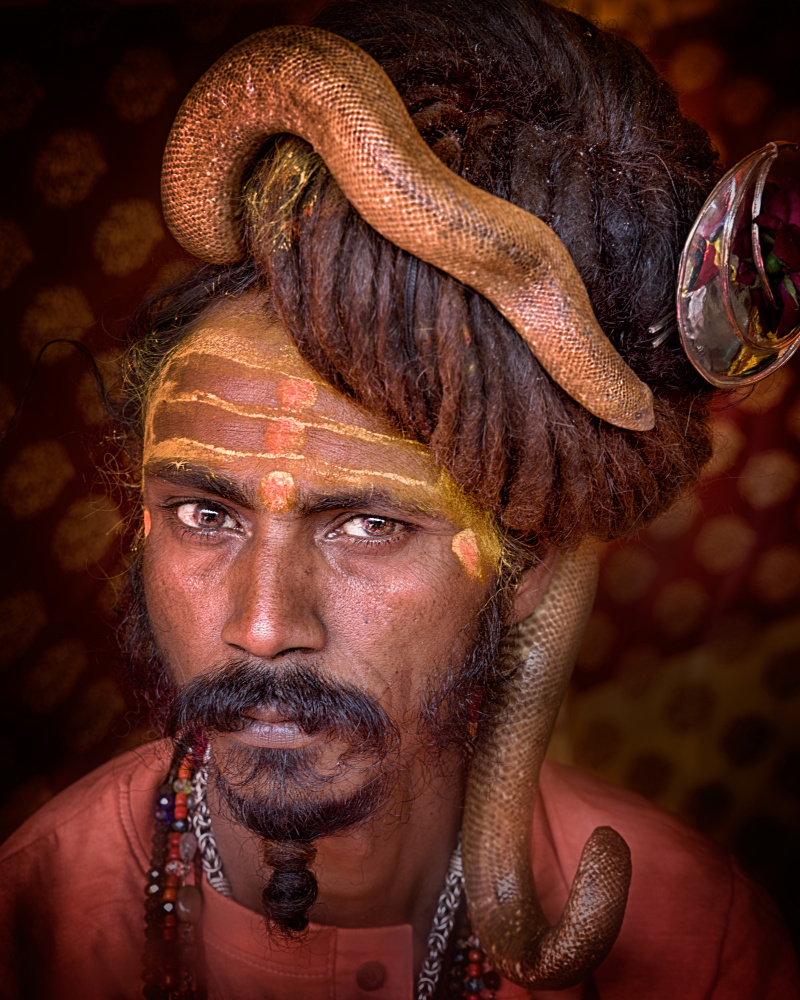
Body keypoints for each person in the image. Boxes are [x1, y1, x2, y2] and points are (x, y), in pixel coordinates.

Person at [1, 1, 798, 998]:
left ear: (529, 563)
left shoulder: (700, 949)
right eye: (205, 513)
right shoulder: (26, 919)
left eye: (369, 524)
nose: (260, 627)